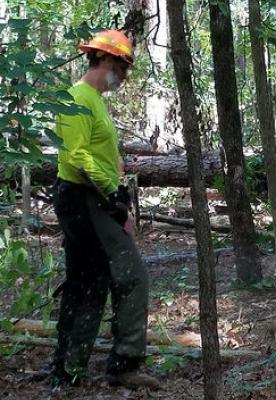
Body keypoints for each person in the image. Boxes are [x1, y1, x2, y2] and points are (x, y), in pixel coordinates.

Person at [51, 29, 160, 389]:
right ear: (107, 60)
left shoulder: (94, 100)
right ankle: (121, 364)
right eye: (124, 67)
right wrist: (113, 196)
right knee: (128, 277)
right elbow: (77, 156)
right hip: (84, 197)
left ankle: (70, 368)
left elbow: (102, 154)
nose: (125, 76)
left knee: (90, 281)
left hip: (95, 196)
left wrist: (119, 193)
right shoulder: (77, 98)